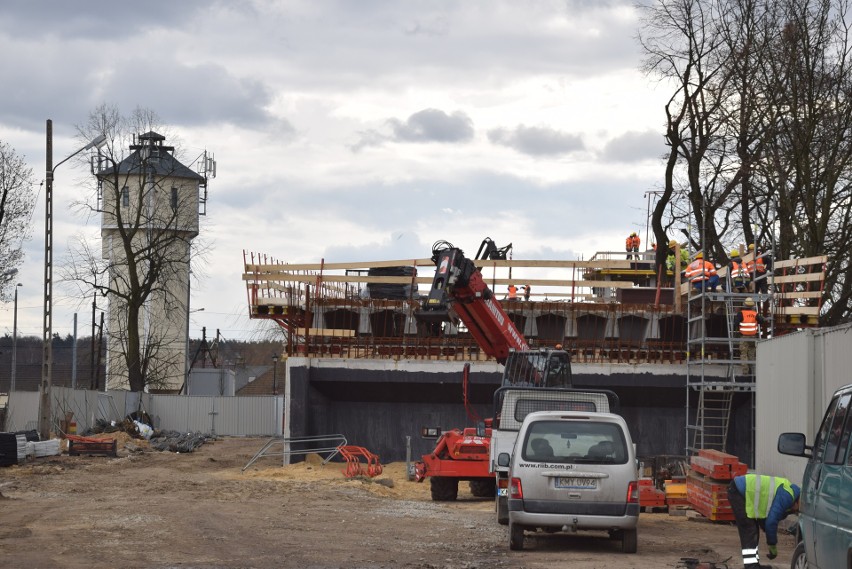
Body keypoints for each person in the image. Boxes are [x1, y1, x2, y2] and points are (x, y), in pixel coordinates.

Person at [727, 474, 800, 569]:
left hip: (741, 490)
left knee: (753, 530)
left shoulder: (789, 492)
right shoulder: (787, 496)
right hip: (738, 491)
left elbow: (766, 521)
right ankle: (751, 566)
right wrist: (772, 545)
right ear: (798, 500)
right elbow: (771, 522)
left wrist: (768, 532)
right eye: (798, 510)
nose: (797, 512)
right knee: (750, 530)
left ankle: (754, 564)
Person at [734, 297, 765, 376]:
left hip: (744, 337)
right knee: (751, 354)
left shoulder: (741, 313)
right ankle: (753, 372)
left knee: (744, 354)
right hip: (753, 337)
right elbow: (762, 321)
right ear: (752, 306)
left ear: (744, 305)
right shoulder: (755, 314)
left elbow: (736, 323)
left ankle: (745, 372)